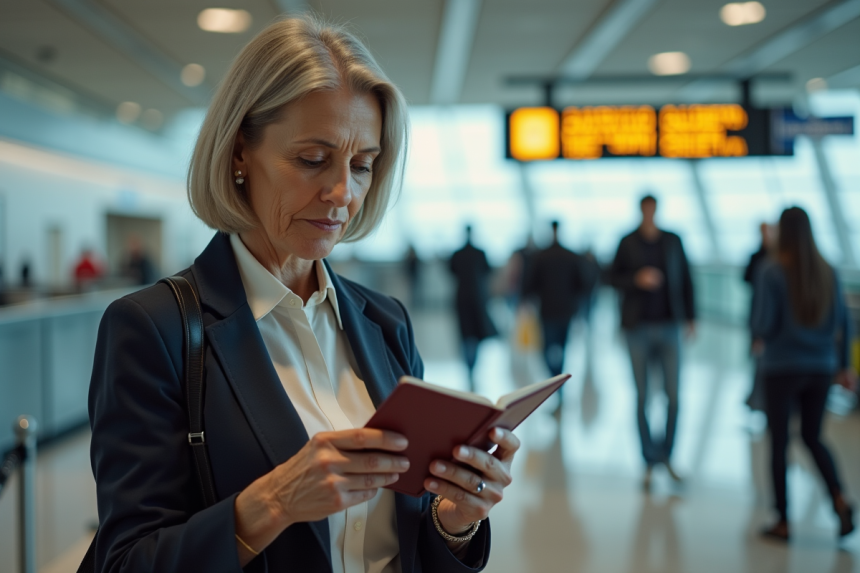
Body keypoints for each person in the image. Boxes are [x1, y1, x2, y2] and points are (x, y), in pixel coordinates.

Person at [88, 16, 518, 573]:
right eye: (312, 160)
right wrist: (274, 502)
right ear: (239, 153)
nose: (342, 193)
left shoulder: (384, 321)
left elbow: (405, 542)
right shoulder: (154, 330)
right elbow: (126, 561)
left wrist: (453, 520)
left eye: (362, 166)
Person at [751, 206, 856, 542]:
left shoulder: (772, 271)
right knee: (813, 437)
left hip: (781, 367)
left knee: (779, 442)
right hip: (821, 368)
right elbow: (843, 323)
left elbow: (764, 323)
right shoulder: (828, 270)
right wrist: (843, 366)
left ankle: (783, 520)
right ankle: (839, 498)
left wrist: (761, 336)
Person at [609, 195, 695, 487]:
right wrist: (636, 279)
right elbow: (610, 277)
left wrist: (691, 317)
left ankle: (667, 455)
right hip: (638, 329)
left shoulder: (672, 240)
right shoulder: (627, 242)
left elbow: (686, 277)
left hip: (670, 326)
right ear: (641, 210)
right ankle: (648, 459)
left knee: (674, 396)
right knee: (642, 396)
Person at [523, 221, 593, 383]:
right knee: (562, 345)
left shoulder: (540, 256)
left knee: (547, 345)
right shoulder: (571, 256)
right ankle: (558, 377)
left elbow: (530, 283)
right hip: (566, 309)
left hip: (547, 309)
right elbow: (583, 283)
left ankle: (553, 377)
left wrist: (527, 299)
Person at [449, 226, 498, 391]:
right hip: (477, 298)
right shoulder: (479, 253)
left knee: (465, 335)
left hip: (461, 298)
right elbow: (488, 271)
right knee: (475, 336)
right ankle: (472, 367)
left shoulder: (458, 254)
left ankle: (469, 369)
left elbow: (451, 271)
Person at [744, 222, 773, 413]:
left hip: (768, 321)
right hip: (759, 315)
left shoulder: (776, 258)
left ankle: (762, 403)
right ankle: (756, 402)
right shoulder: (757, 257)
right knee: (758, 361)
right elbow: (745, 278)